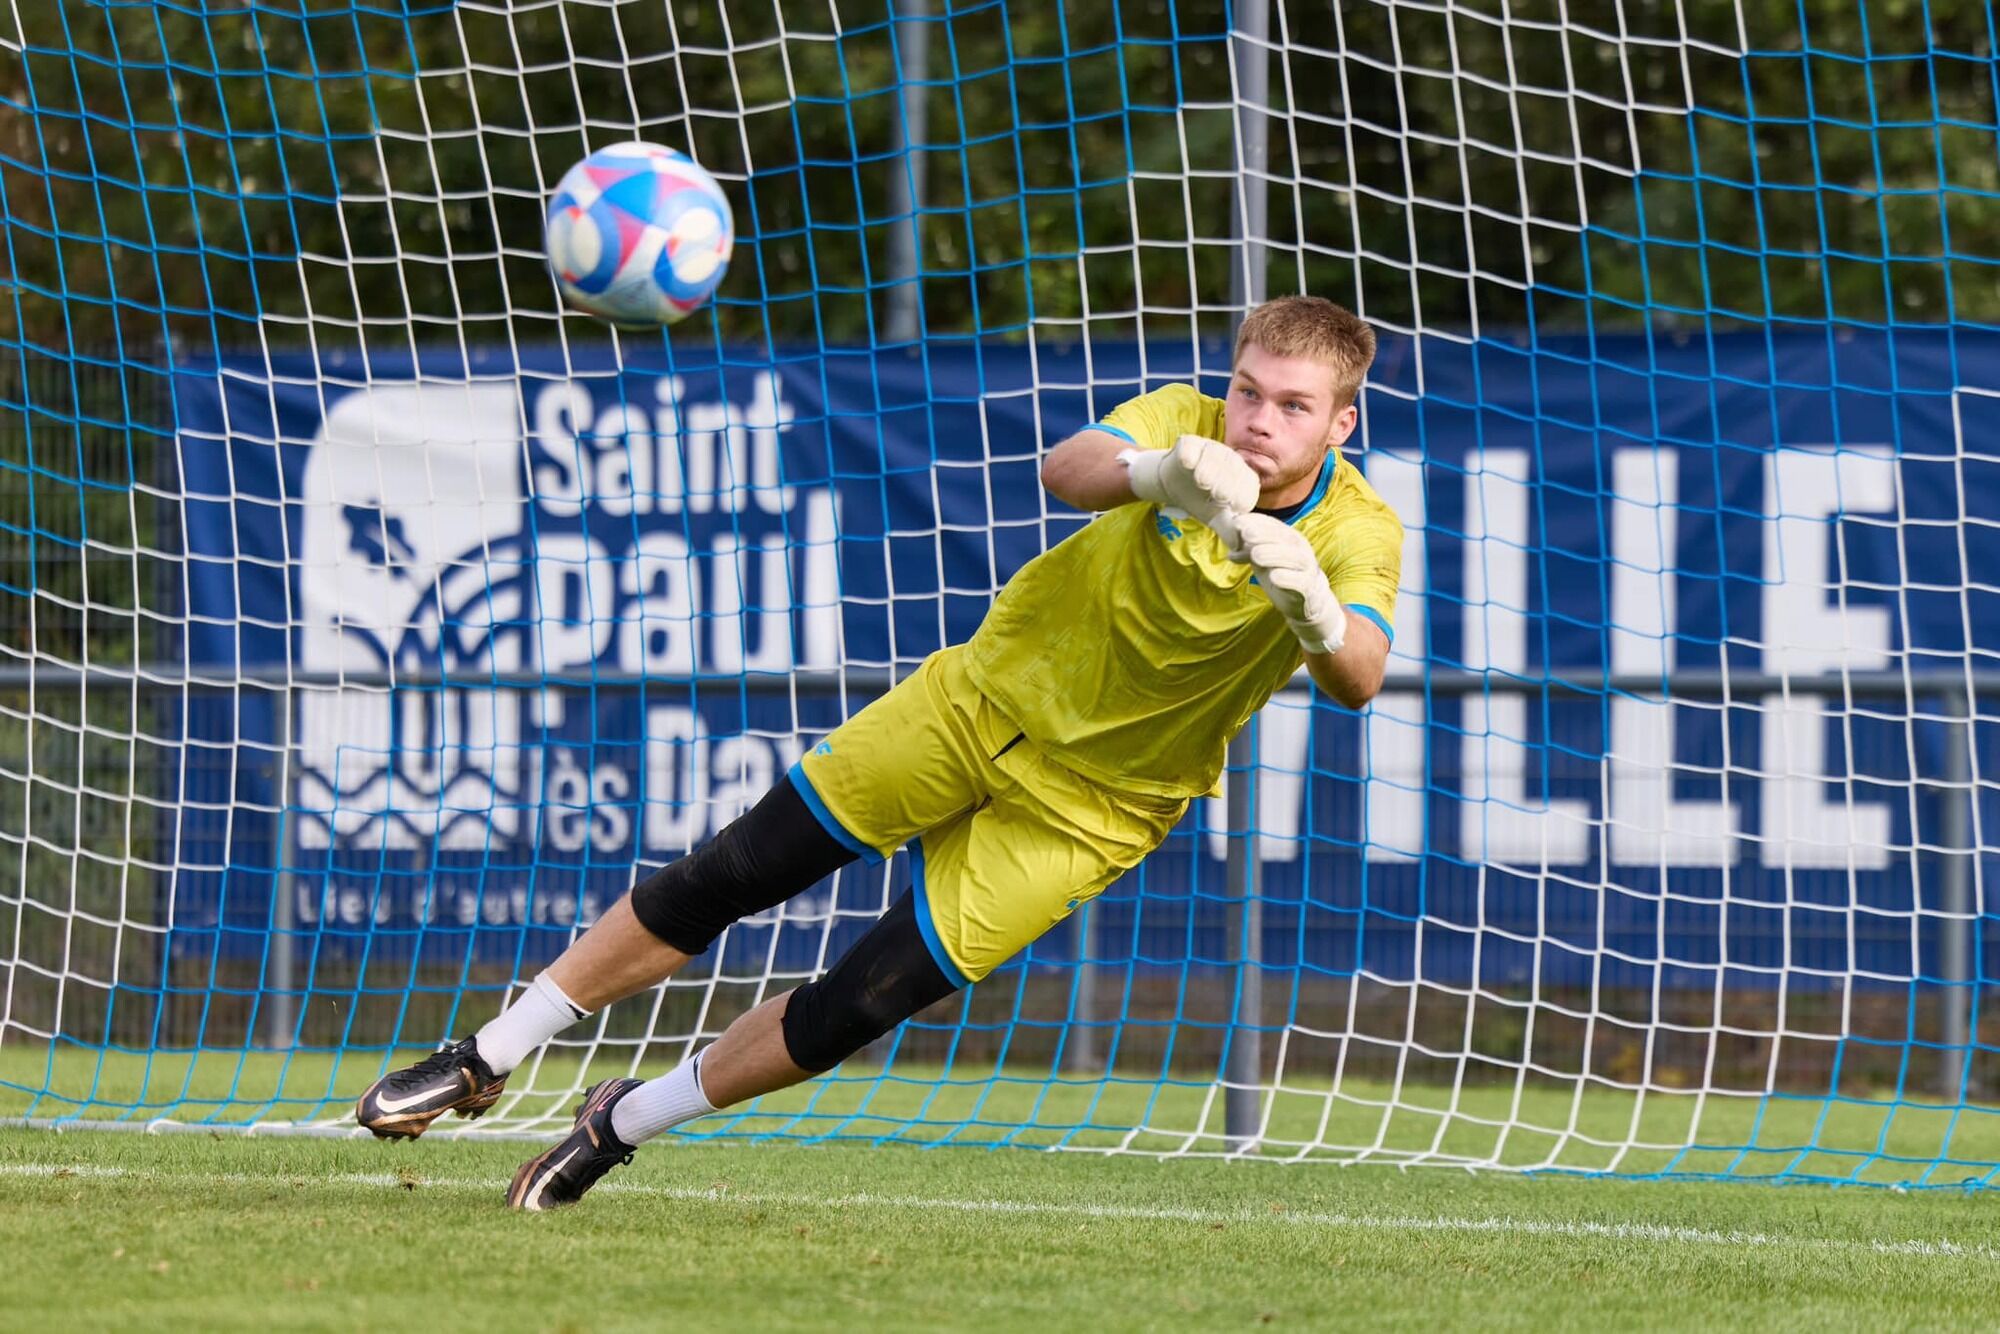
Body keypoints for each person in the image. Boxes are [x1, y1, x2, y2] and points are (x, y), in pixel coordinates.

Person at [353, 294, 1406, 1210]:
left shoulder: (1357, 526)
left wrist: (1309, 604)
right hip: (975, 702)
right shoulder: (1186, 425)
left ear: (1339, 420)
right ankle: (486, 1054)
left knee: (860, 998)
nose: (1257, 421)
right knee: (738, 867)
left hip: (1096, 805)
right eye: (1248, 392)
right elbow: (1068, 466)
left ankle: (619, 1123)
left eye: (1291, 405)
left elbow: (1357, 675)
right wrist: (1154, 472)